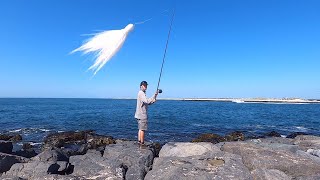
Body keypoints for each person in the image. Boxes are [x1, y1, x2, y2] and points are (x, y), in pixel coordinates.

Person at [134, 81, 158, 146]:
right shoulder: (141, 93)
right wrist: (154, 95)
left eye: (146, 85)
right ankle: (142, 143)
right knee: (142, 129)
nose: (145, 87)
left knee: (140, 129)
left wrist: (154, 97)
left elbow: (148, 103)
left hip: (139, 115)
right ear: (141, 86)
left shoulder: (141, 93)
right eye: (144, 86)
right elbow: (147, 101)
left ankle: (139, 141)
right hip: (142, 115)